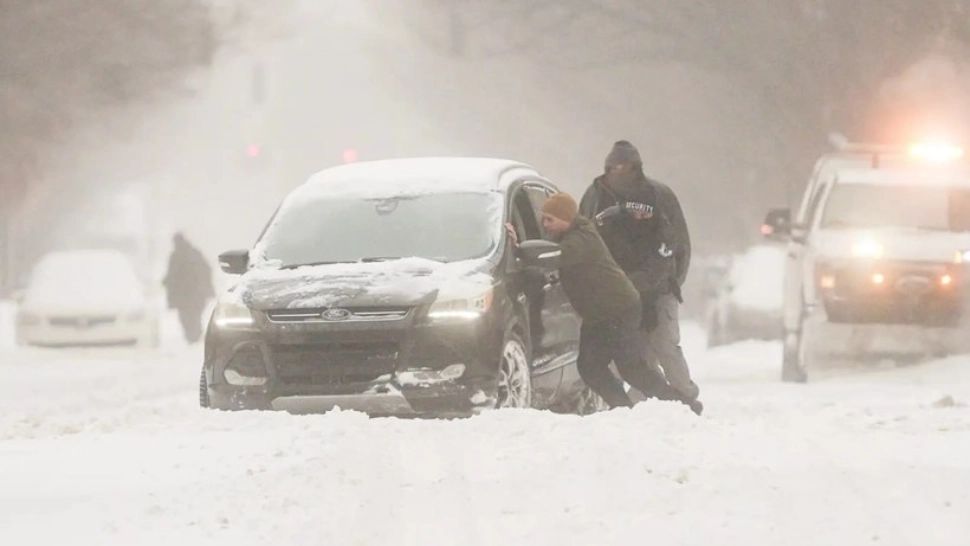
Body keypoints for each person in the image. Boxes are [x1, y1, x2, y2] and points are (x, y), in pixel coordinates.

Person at [509, 192, 698, 413]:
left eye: (550, 219)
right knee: (590, 367)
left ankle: (685, 406)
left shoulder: (581, 239)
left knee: (632, 369)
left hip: (619, 309)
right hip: (598, 315)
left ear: (566, 218)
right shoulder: (568, 236)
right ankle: (623, 410)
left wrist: (518, 250)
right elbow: (548, 250)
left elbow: (554, 257)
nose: (545, 224)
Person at [580, 140, 701, 407]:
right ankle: (640, 403)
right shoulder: (596, 196)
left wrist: (671, 280)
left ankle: (684, 397)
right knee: (631, 354)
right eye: (615, 168)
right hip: (616, 292)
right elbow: (585, 237)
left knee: (665, 345)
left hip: (658, 288)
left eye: (627, 167)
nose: (620, 173)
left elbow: (678, 242)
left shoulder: (659, 195)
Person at [162, 232, 215, 343]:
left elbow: (172, 275)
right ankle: (194, 336)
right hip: (193, 295)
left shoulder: (179, 256)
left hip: (187, 296)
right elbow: (206, 270)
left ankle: (193, 337)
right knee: (193, 317)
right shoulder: (192, 254)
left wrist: (167, 282)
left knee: (188, 318)